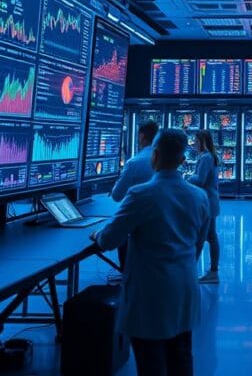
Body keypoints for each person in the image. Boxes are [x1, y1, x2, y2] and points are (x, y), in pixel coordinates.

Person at [91, 129, 210, 376]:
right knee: (182, 358)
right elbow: (198, 244)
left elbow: (110, 240)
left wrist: (98, 235)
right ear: (183, 160)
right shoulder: (199, 197)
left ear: (154, 155)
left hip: (149, 295)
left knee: (151, 363)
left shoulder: (141, 194)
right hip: (184, 289)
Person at [111, 120, 160, 267]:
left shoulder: (134, 163)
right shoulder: (163, 161)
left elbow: (117, 195)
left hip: (136, 227)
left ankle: (126, 276)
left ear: (141, 136)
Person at [189, 130, 221, 285]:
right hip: (211, 201)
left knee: (203, 237)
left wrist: (187, 176)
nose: (193, 144)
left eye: (195, 141)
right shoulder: (210, 157)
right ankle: (213, 271)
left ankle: (196, 271)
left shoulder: (206, 158)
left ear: (202, 141)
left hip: (206, 202)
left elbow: (200, 180)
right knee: (211, 236)